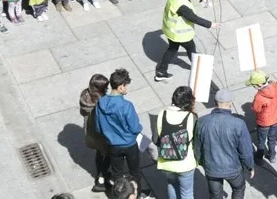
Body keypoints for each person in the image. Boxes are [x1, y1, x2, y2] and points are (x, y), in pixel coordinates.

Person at [95, 68, 149, 198]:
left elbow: (98, 127)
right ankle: (137, 194)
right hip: (129, 144)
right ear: (120, 87)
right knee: (134, 172)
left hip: (113, 145)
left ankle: (119, 195)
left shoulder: (101, 103)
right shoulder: (126, 106)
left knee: (117, 174)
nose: (127, 89)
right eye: (126, 86)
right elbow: (135, 128)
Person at [194, 89, 255, 199]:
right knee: (238, 189)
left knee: (215, 195)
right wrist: (250, 166)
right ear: (230, 104)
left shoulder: (202, 121)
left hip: (212, 168)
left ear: (214, 103)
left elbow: (197, 145)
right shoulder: (238, 124)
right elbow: (246, 150)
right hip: (233, 169)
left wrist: (199, 161)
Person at [155, 0, 218, 81]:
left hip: (171, 30)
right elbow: (193, 18)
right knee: (191, 48)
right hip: (180, 33)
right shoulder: (181, 5)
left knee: (172, 49)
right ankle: (198, 67)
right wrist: (210, 24)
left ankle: (161, 71)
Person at [156, 86, 198, 199]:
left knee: (171, 184)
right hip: (185, 162)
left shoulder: (162, 114)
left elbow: (157, 137)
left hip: (166, 161)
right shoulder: (191, 117)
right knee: (187, 192)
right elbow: (196, 140)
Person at [79, 73, 111, 193]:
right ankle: (101, 178)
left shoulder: (85, 96)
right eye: (106, 88)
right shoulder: (102, 103)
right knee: (107, 154)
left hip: (90, 131)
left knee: (99, 153)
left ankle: (100, 175)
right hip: (100, 134)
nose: (107, 90)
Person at [246, 70, 277, 163]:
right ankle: (272, 156)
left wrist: (253, 106)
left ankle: (259, 157)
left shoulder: (259, 97)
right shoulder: (275, 86)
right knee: (272, 138)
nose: (253, 87)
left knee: (261, 140)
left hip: (264, 122)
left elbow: (256, 109)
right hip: (275, 118)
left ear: (258, 85)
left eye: (253, 85)